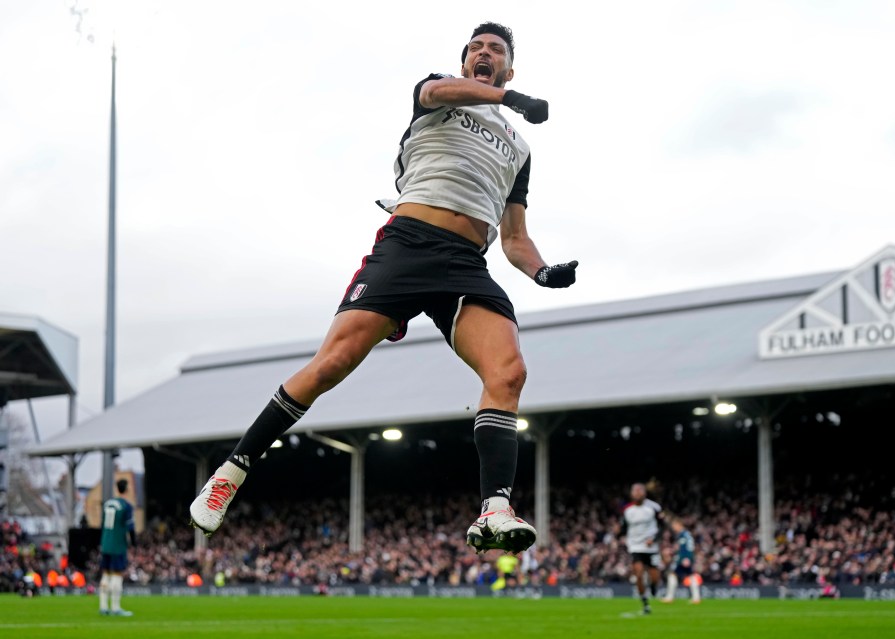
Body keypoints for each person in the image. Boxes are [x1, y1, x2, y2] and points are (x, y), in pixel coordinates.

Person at [190, 22, 578, 556]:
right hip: (408, 243)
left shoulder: (520, 147)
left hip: (466, 262)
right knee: (333, 362)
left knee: (508, 371)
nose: (484, 54)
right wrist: (509, 97)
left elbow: (514, 237)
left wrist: (541, 272)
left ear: (510, 66)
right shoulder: (440, 92)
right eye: (477, 49)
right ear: (467, 62)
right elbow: (437, 91)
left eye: (496, 51)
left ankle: (495, 508)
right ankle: (232, 471)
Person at [622, 482, 664, 615]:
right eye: (635, 491)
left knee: (655, 578)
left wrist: (654, 539)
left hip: (651, 547)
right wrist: (621, 535)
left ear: (644, 493)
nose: (637, 493)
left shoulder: (653, 507)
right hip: (635, 546)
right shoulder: (628, 511)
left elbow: (662, 527)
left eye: (639, 490)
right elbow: (624, 528)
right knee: (638, 574)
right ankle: (645, 603)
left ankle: (653, 587)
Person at [99, 478, 135, 616]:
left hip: (105, 543)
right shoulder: (126, 506)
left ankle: (103, 606)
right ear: (126, 489)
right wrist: (134, 543)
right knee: (117, 575)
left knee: (106, 574)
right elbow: (130, 527)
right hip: (118, 544)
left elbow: (103, 525)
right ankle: (115, 607)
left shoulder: (107, 504)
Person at [663, 517, 701, 604]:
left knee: (673, 574)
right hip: (686, 558)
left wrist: (686, 558)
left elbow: (685, 548)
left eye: (674, 525)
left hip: (683, 559)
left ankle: (670, 596)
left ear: (679, 525)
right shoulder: (686, 534)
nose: (673, 528)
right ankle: (696, 597)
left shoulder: (683, 535)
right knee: (690, 575)